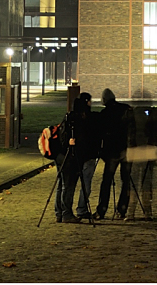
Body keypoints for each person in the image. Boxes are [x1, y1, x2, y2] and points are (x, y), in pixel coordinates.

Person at [56, 92, 99, 223]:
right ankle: (66, 213)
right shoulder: (81, 119)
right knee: (68, 186)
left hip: (65, 156)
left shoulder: (69, 117)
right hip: (71, 157)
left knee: (63, 185)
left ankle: (60, 212)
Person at [95, 88, 134, 219]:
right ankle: (122, 209)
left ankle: (102, 209)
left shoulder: (104, 113)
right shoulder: (126, 109)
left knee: (107, 180)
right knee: (126, 180)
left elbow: (100, 133)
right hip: (126, 149)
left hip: (112, 151)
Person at [127, 104, 157, 220]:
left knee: (134, 183)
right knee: (146, 183)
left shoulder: (132, 115)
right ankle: (147, 211)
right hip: (147, 150)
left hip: (136, 151)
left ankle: (131, 212)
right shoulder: (151, 116)